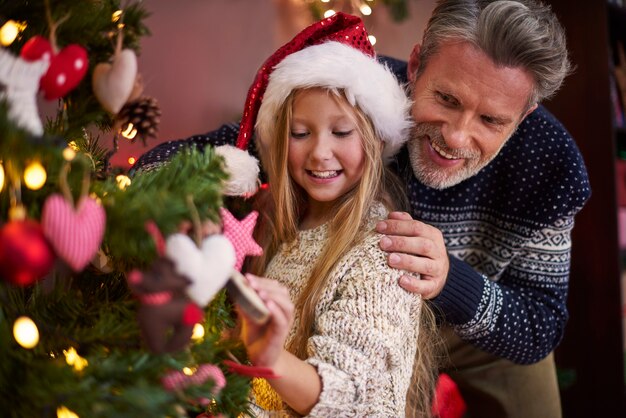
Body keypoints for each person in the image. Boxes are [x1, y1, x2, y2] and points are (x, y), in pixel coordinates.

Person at [132, 1, 591, 417]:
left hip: (480, 333)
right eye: (446, 100)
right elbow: (210, 151)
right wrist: (174, 193)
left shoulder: (553, 167)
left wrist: (452, 281)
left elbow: (540, 326)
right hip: (349, 298)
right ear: (415, 67)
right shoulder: (356, 95)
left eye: (490, 120)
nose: (455, 136)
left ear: (524, 115)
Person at [228, 14, 436, 417]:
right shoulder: (276, 227)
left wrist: (269, 355)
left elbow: (357, 401)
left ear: (375, 140)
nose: (320, 153)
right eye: (301, 134)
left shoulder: (381, 255)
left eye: (341, 133)